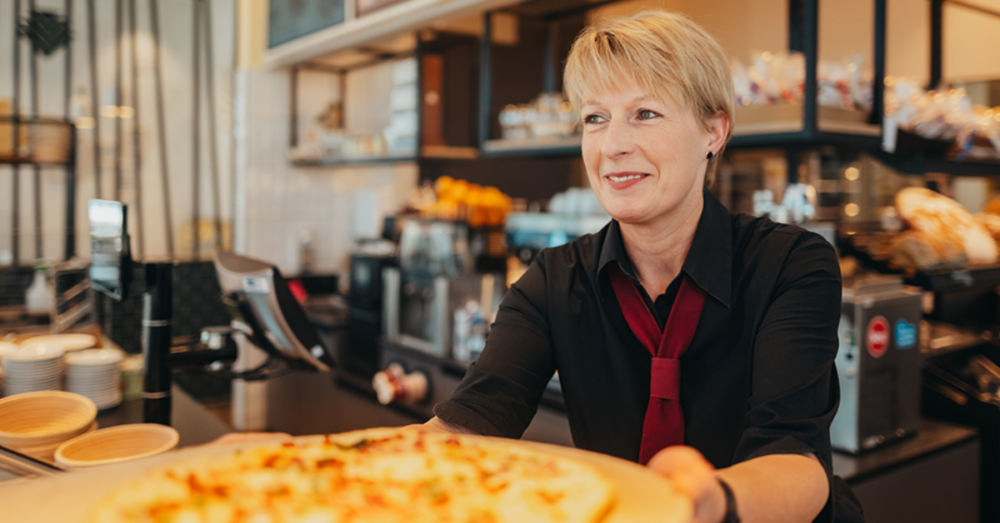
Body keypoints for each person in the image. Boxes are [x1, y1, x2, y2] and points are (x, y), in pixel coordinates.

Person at [425, 10, 863, 523]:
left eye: (645, 114)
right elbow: (465, 428)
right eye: (595, 118)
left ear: (714, 131)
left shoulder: (789, 263)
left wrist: (705, 501)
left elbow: (796, 459)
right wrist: (329, 465)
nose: (612, 146)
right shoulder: (554, 280)